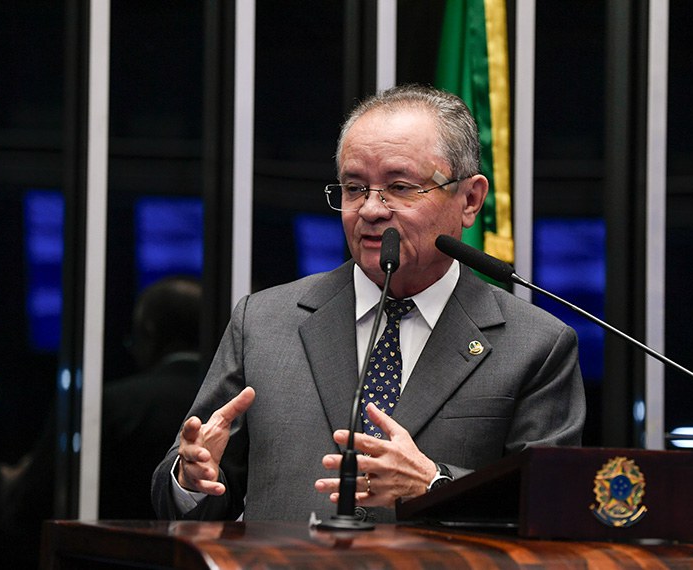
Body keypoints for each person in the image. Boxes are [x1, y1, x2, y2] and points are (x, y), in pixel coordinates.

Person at [151, 84, 585, 523]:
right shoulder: (263, 323)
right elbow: (187, 493)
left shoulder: (536, 345)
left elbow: (554, 511)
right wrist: (190, 479)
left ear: (469, 200)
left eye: (399, 186)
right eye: (354, 188)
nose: (371, 210)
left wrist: (435, 485)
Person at [100, 275, 203, 519]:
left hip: (119, 547)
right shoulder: (234, 400)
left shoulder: (117, 402)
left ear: (149, 331)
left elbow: (35, 497)